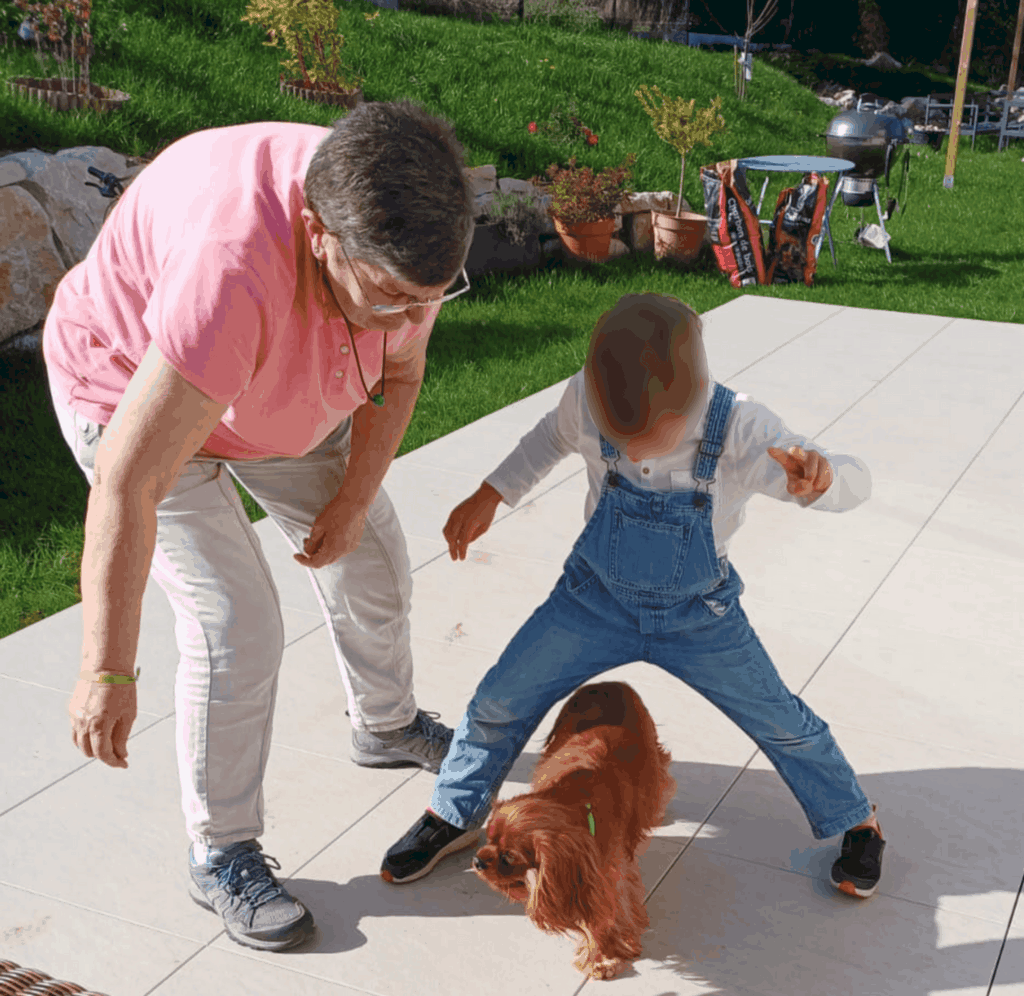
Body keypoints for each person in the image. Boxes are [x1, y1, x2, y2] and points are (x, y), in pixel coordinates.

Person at [43, 100, 477, 952]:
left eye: (431, 296)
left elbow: (402, 374)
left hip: (268, 391)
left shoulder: (405, 240)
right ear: (319, 235)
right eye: (393, 298)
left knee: (375, 555)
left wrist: (351, 501)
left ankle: (384, 724)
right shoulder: (231, 270)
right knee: (237, 621)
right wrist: (107, 669)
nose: (411, 318)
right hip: (135, 388)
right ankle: (221, 852)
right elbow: (129, 481)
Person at [381, 292, 886, 902]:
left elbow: (856, 482)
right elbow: (546, 440)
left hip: (700, 617)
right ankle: (455, 809)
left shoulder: (744, 428)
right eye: (619, 435)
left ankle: (855, 818)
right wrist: (492, 493)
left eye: (651, 436)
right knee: (498, 700)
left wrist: (826, 478)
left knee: (780, 719)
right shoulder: (585, 397)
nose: (635, 449)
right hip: (592, 600)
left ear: (695, 395)